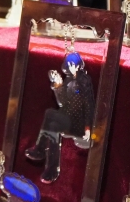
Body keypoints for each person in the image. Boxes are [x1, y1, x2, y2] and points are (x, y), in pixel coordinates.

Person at [24, 52, 95, 184]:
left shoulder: (84, 81)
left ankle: (46, 160)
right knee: (50, 116)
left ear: (78, 65)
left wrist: (87, 128)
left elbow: (88, 105)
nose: (72, 67)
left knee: (52, 122)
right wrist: (58, 85)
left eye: (74, 65)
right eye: (69, 65)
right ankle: (46, 161)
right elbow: (62, 102)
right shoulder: (69, 80)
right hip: (69, 118)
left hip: (79, 124)